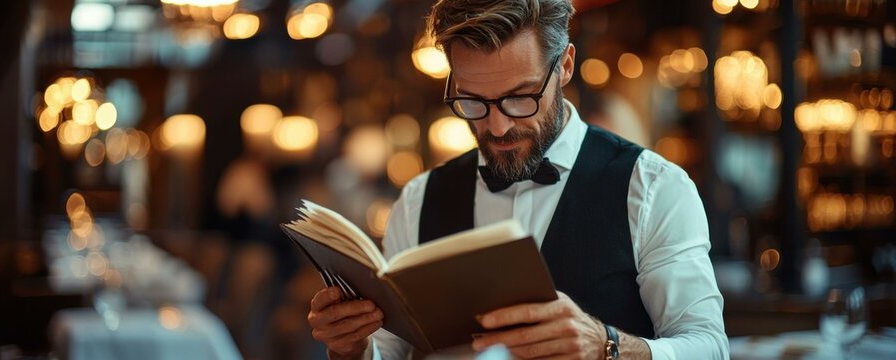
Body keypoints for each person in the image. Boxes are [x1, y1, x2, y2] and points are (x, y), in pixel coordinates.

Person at [307, 0, 729, 359]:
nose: (498, 125)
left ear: (564, 66)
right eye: (472, 101)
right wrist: (351, 348)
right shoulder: (418, 200)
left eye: (520, 97)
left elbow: (709, 346)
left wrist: (608, 346)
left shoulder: (653, 187)